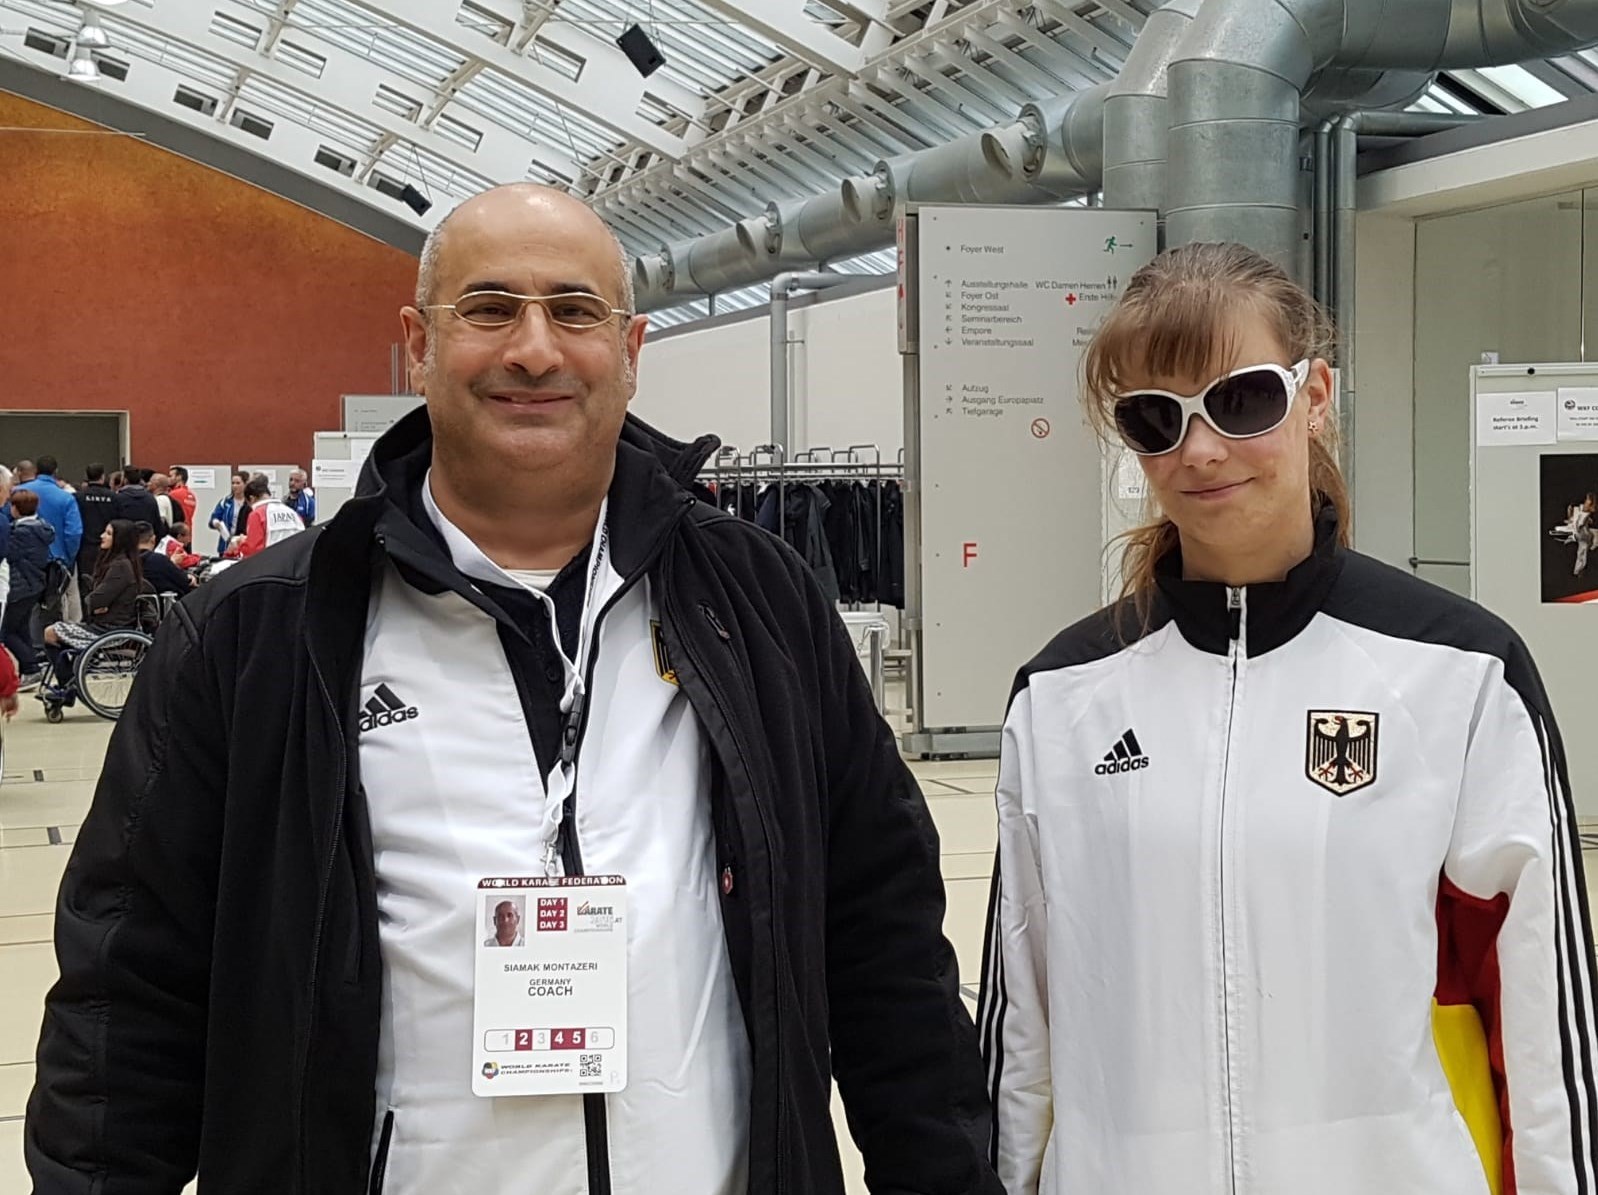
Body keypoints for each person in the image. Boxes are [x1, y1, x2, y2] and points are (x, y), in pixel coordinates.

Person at [28, 183, 998, 1195]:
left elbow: (885, 942)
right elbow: (127, 997)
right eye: (489, 309)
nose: (533, 350)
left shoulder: (758, 602)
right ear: (419, 344)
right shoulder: (258, 633)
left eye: (574, 311)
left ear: (629, 349)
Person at [979, 242, 1598, 1195]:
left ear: (1315, 397)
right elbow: (1020, 1028)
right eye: (1157, 417)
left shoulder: (1462, 672)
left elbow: (1542, 1013)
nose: (1200, 449)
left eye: (1241, 400)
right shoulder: (1062, 697)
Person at [39, 519, 148, 694]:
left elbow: (96, 600)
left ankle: (67, 684)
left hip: (109, 629)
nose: (102, 536)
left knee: (50, 633)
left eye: (108, 533)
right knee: (53, 634)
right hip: (107, 623)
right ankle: (68, 681)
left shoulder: (120, 567)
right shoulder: (119, 563)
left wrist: (95, 604)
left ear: (120, 539)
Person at [2, 489, 54, 684]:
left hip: (20, 584)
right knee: (21, 628)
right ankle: (29, 669)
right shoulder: (41, 528)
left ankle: (31, 666)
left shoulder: (20, 532)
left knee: (6, 631)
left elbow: (9, 554)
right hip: (34, 584)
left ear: (15, 508)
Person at [17, 454, 83, 571]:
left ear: (36, 470)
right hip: (56, 561)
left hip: (22, 559)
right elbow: (74, 533)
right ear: (56, 471)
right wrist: (69, 559)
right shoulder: (67, 498)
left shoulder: (17, 492)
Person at [231, 474, 305, 557]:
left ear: (252, 499)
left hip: (272, 561)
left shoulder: (257, 514)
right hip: (295, 561)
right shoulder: (293, 513)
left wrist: (241, 543)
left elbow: (253, 550)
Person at [75, 463, 116, 603]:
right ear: (103, 477)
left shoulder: (78, 497)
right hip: (109, 547)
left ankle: (87, 609)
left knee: (85, 583)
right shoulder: (114, 497)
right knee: (106, 581)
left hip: (85, 546)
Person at [136, 522, 195, 595]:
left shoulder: (126, 562)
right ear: (153, 539)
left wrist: (171, 562)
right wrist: (189, 577)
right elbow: (184, 581)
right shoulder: (159, 560)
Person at [112, 469, 163, 536]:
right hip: (145, 536)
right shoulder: (150, 498)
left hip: (124, 537)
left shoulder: (117, 498)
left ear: (125, 480)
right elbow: (157, 523)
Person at [209, 470, 249, 555]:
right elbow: (214, 518)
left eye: (238, 483)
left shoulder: (250, 502)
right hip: (226, 543)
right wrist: (216, 523)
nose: (234, 486)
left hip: (242, 542)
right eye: (233, 483)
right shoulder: (226, 501)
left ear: (245, 484)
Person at [168, 465, 198, 531]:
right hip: (188, 531)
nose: (168, 479)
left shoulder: (173, 494)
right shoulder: (191, 495)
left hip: (177, 531)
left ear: (179, 477)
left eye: (170, 476)